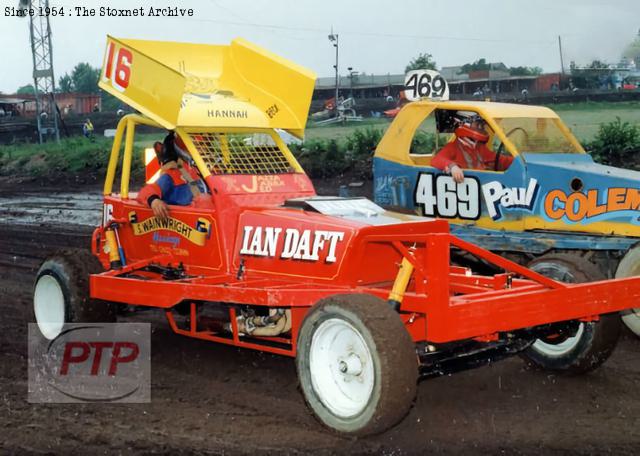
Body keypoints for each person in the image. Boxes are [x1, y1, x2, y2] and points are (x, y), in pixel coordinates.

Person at [137, 132, 206, 220]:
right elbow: (146, 191)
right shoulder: (173, 174)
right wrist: (154, 200)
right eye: (198, 148)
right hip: (188, 223)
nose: (203, 152)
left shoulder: (205, 172)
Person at [432, 114, 513, 184]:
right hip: (464, 187)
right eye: (478, 124)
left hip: (481, 185)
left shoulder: (480, 148)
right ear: (463, 123)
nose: (481, 128)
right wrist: (453, 167)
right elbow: (437, 159)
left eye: (482, 125)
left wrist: (518, 161)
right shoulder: (453, 147)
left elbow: (500, 160)